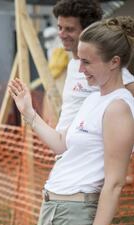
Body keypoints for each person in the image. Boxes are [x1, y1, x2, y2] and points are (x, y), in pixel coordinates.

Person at [8, 16, 134, 225]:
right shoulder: (95, 100)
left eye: (88, 62)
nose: (80, 68)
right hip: (57, 212)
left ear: (115, 62)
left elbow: (115, 182)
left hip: (73, 216)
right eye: (80, 60)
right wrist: (29, 113)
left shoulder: (118, 107)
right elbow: (61, 145)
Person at [53, 0, 134, 132]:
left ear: (87, 31)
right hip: (66, 148)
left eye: (70, 29)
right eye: (60, 27)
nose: (62, 34)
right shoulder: (73, 64)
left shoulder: (107, 68)